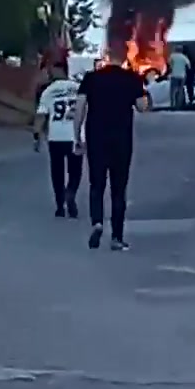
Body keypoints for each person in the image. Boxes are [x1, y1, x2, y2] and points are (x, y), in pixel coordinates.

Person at [73, 45, 148, 251]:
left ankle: (97, 222)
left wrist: (77, 135)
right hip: (121, 139)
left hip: (96, 137)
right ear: (125, 57)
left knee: (96, 184)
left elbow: (79, 107)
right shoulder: (132, 78)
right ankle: (116, 236)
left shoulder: (91, 78)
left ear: (106, 57)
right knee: (118, 188)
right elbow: (142, 107)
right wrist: (143, 93)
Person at [34, 60, 82, 218]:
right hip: (75, 135)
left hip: (56, 136)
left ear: (58, 70)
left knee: (57, 171)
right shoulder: (78, 87)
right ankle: (71, 192)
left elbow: (41, 115)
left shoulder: (48, 91)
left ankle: (60, 205)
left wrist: (37, 136)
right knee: (75, 170)